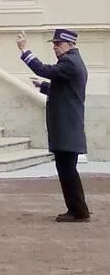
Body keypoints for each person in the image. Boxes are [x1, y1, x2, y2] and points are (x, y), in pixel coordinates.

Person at [19, 28, 90, 222]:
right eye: (54, 45)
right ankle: (78, 208)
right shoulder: (73, 62)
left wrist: (25, 52)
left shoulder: (69, 62)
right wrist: (42, 86)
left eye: (58, 44)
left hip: (66, 126)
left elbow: (45, 70)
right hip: (68, 125)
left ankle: (78, 211)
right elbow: (62, 90)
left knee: (67, 170)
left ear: (70, 44)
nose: (55, 48)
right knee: (67, 169)